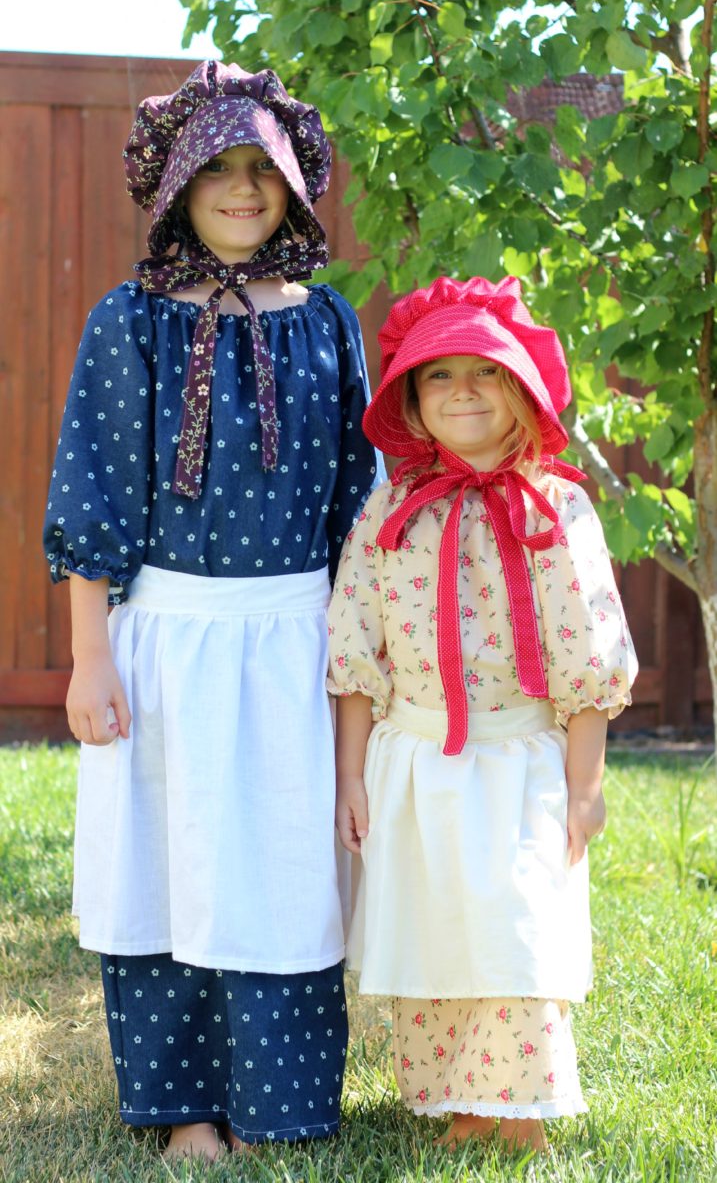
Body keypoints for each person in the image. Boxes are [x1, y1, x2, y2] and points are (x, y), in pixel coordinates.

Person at [43, 60, 381, 1162]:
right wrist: (91, 658)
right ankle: (185, 1109)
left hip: (293, 639)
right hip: (166, 641)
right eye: (218, 169)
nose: (242, 190)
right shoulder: (130, 322)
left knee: (284, 865)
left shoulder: (327, 324)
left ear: (293, 185)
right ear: (179, 183)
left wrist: (363, 661)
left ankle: (281, 1104)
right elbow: (92, 493)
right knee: (168, 862)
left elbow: (358, 509)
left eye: (262, 170)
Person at [328, 275, 637, 1153]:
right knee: (429, 923)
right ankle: (452, 1095)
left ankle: (514, 1106)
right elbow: (356, 650)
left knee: (511, 924)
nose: (461, 390)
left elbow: (587, 653)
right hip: (413, 755)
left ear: (521, 391)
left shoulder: (554, 508)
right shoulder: (386, 513)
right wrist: (351, 774)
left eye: (483, 372)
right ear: (410, 404)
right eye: (437, 376)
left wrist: (585, 785)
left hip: (519, 756)